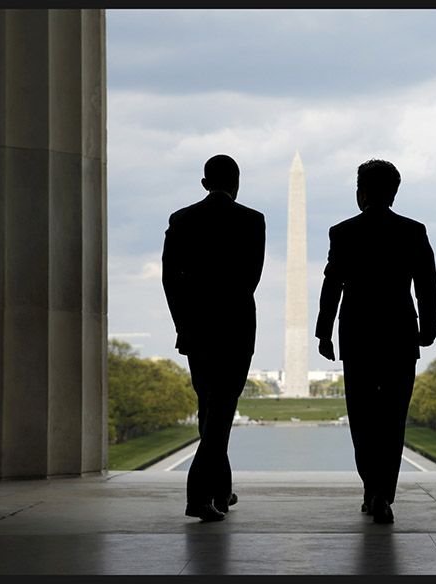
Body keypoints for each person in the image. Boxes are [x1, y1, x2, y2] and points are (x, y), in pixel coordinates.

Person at [315, 159, 436, 524]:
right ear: (394, 192)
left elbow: (331, 285)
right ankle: (384, 492)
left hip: (358, 335)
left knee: (363, 419)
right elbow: (426, 284)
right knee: (393, 419)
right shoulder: (413, 231)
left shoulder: (343, 232)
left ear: (361, 192)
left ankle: (373, 490)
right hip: (400, 334)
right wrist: (428, 328)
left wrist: (323, 332)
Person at [162, 154, 266, 522]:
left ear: (204, 183)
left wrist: (183, 324)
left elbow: (170, 279)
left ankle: (221, 489)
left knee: (211, 408)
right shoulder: (252, 220)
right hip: (236, 326)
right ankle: (198, 496)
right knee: (221, 410)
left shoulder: (182, 219)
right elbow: (251, 278)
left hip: (198, 328)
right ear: (237, 183)